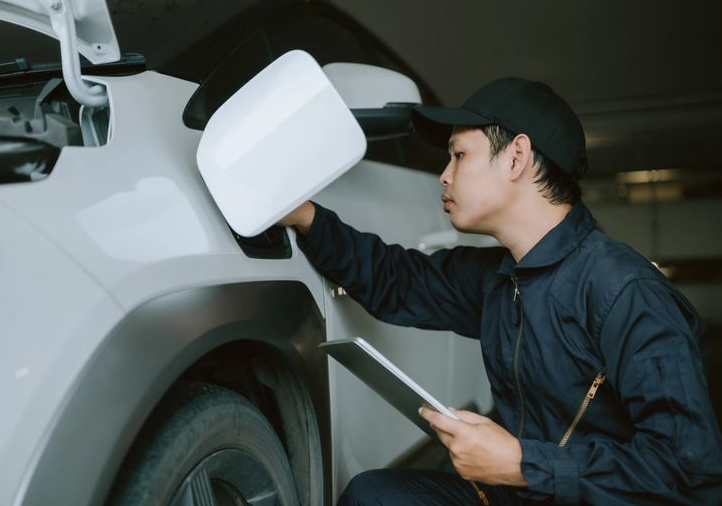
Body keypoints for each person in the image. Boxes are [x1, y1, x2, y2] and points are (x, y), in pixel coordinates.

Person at [278, 77, 722, 505]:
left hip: (571, 491)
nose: (444, 176)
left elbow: (688, 471)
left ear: (516, 157)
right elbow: (396, 280)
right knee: (374, 494)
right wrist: (307, 216)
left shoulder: (626, 292)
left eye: (458, 155)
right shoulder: (501, 277)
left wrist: (524, 465)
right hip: (527, 492)